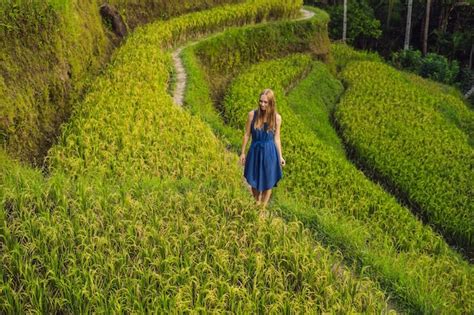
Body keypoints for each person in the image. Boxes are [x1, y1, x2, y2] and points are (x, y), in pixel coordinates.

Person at [239, 88, 285, 208]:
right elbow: (247, 134)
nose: (262, 104)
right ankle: (256, 201)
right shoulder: (252, 115)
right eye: (261, 101)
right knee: (254, 179)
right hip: (255, 150)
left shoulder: (277, 118)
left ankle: (262, 208)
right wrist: (243, 152)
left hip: (270, 151)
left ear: (271, 103)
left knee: (268, 181)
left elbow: (277, 138)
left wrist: (280, 156)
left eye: (265, 102)